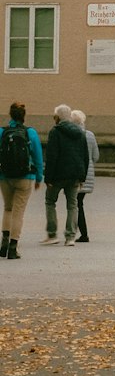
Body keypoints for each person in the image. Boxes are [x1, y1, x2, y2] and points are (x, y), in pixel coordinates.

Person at [0, 102, 44, 260]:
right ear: (24, 116)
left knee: (8, 208)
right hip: (25, 177)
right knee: (18, 212)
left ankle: (3, 243)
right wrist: (39, 177)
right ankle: (13, 247)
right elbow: (38, 157)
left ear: (10, 115)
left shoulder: (1, 132)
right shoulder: (30, 133)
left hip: (4, 177)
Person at [43, 104, 90, 245]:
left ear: (57, 117)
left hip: (58, 175)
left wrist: (48, 177)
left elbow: (51, 156)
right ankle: (70, 237)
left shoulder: (55, 132)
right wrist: (83, 177)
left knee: (50, 202)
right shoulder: (80, 133)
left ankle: (52, 234)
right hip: (75, 174)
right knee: (72, 205)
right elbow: (85, 156)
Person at [70, 109, 99, 242]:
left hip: (75, 173)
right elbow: (95, 156)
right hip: (88, 174)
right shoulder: (90, 135)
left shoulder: (70, 135)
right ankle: (80, 232)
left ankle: (80, 233)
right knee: (78, 203)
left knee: (75, 204)